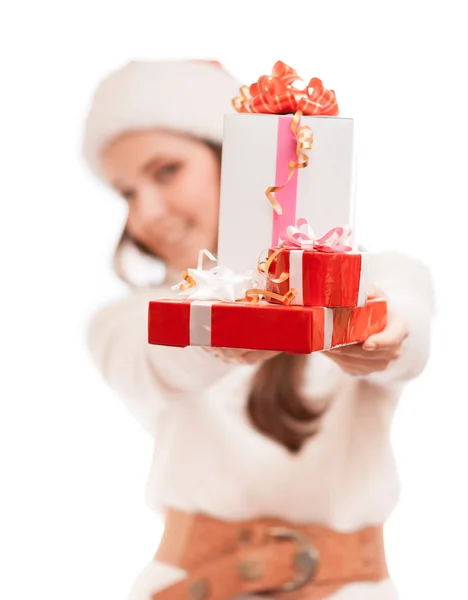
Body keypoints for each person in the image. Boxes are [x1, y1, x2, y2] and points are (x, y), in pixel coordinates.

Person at [82, 60, 434, 600]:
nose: (144, 214)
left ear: (237, 159)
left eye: (166, 171)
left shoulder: (376, 277)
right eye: (125, 192)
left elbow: (407, 322)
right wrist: (222, 333)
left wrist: (386, 336)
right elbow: (148, 358)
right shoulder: (128, 317)